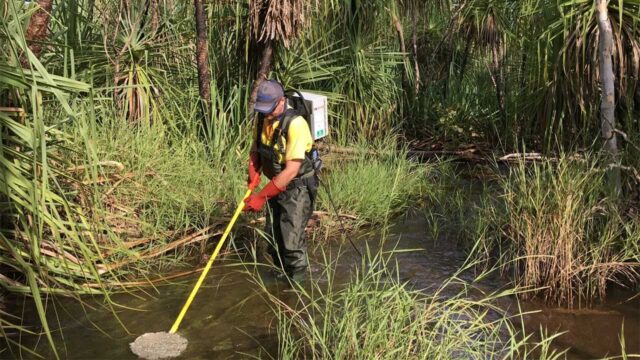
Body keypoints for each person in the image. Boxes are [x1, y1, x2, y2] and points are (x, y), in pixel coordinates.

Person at [243, 79, 317, 281]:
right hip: (274, 186)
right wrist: (253, 175)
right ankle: (280, 280)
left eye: (270, 109)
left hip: (296, 188)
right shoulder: (263, 118)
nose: (266, 114)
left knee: (291, 242)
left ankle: (297, 289)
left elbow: (291, 171)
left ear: (281, 101)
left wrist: (260, 197)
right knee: (274, 237)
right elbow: (255, 150)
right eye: (263, 109)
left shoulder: (295, 125)